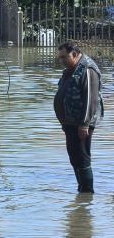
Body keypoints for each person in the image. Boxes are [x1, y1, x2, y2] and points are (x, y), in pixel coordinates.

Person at [54, 42, 104, 193]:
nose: (61, 61)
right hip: (70, 121)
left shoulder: (88, 69)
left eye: (64, 57)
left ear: (75, 54)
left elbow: (91, 99)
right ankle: (81, 192)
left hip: (82, 122)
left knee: (82, 157)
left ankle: (87, 193)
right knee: (73, 156)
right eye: (60, 58)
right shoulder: (71, 69)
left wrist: (84, 124)